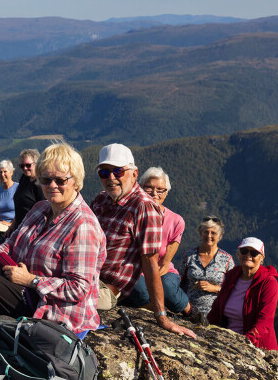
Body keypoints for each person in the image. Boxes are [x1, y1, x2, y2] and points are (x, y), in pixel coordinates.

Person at [0, 143, 106, 336]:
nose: (52, 185)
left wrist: (32, 280)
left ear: (76, 181)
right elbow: (10, 245)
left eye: (61, 180)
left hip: (54, 308)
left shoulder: (83, 225)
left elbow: (78, 288)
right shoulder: (39, 210)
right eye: (46, 179)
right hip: (28, 295)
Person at [91, 143, 195, 337]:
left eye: (118, 171)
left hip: (106, 288)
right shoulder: (100, 200)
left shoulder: (144, 207)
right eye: (104, 172)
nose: (111, 178)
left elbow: (150, 262)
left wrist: (161, 317)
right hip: (85, 275)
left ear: (134, 173)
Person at [120, 167, 193, 316]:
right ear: (140, 188)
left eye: (160, 190)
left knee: (167, 288)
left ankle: (190, 311)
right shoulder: (129, 214)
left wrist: (153, 284)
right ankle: (160, 310)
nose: (155, 193)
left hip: (162, 271)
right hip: (134, 271)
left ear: (167, 193)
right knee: (140, 289)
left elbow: (165, 264)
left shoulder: (176, 221)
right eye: (149, 188)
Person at [207, 237, 278, 351]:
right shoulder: (231, 276)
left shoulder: (269, 283)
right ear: (238, 254)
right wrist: (206, 328)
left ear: (262, 258)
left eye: (254, 253)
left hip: (257, 347)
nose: (248, 255)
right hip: (227, 341)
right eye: (244, 251)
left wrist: (243, 343)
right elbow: (216, 309)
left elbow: (264, 322)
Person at [180, 216, 236, 318]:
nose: (209, 235)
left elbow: (233, 289)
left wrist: (215, 288)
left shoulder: (227, 259)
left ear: (220, 236)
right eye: (206, 232)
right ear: (200, 233)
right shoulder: (188, 256)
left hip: (216, 313)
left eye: (213, 233)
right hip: (189, 311)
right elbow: (179, 282)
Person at [10, 148, 44, 233]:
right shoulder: (24, 178)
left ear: (37, 164)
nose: (25, 168)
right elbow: (20, 206)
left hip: (32, 231)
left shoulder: (41, 184)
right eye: (22, 166)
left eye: (28, 165)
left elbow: (45, 212)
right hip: (19, 228)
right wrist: (13, 224)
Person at [0, 159, 18, 236]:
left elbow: (22, 211)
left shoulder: (18, 189)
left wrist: (10, 223)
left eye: (5, 171)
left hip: (13, 227)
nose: (2, 174)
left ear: (11, 172)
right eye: (0, 172)